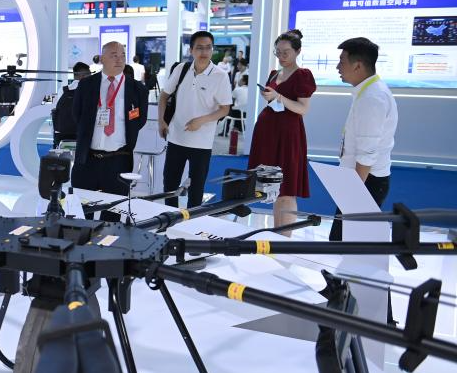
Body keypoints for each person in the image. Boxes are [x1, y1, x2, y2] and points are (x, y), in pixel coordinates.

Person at [247, 30, 316, 232]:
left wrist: (278, 96)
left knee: (287, 188)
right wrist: (270, 97)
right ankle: (277, 234)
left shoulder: (303, 75)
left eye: (286, 52)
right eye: (278, 52)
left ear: (297, 51)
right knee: (273, 187)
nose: (281, 56)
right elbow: (275, 102)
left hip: (288, 136)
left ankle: (284, 238)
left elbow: (302, 108)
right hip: (268, 133)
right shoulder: (274, 73)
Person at [329, 37, 398, 242]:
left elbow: (367, 153)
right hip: (363, 180)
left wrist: (354, 192)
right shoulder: (369, 92)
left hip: (366, 181)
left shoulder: (372, 98)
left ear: (357, 65)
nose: (337, 67)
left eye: (342, 61)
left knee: (344, 245)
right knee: (345, 244)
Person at [158, 31, 232, 207]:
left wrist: (201, 120)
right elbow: (164, 96)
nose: (204, 52)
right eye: (199, 48)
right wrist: (161, 120)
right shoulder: (181, 69)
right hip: (176, 137)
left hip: (202, 143)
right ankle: (170, 218)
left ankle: (193, 221)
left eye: (208, 48)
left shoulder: (220, 76)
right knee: (170, 185)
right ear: (191, 50)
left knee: (196, 189)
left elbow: (225, 109)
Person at [70, 41, 149, 195]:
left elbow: (139, 121)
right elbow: (77, 114)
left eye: (122, 56)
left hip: (119, 160)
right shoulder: (86, 84)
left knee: (115, 207)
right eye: (114, 55)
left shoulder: (137, 89)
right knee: (82, 205)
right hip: (87, 159)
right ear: (102, 59)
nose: (119, 60)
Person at [52, 61, 91, 146]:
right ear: (82, 75)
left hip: (62, 134)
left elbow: (55, 110)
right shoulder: (90, 91)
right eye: (89, 74)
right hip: (84, 133)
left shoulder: (62, 90)